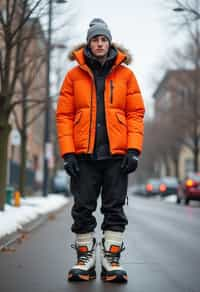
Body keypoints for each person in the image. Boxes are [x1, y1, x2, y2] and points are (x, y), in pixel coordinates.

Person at [56, 18, 145, 283]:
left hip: (117, 157)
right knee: (82, 208)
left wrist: (133, 150)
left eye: (103, 39)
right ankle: (85, 260)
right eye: (95, 39)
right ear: (89, 43)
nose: (99, 43)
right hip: (84, 156)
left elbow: (135, 114)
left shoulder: (126, 75)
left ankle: (111, 261)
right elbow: (64, 115)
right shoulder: (73, 76)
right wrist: (68, 153)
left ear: (109, 42)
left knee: (114, 208)